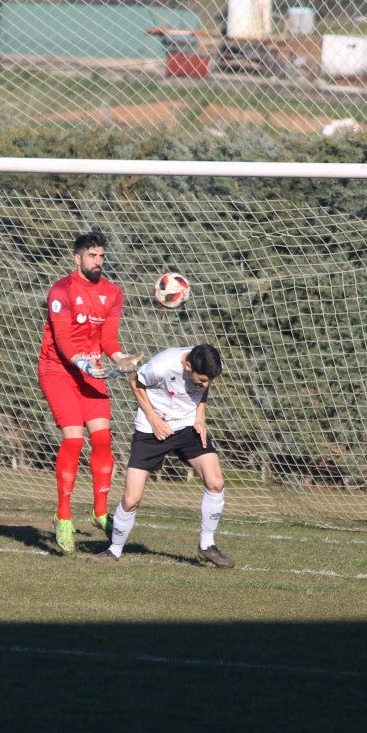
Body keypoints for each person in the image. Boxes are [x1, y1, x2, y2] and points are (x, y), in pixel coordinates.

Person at [89, 343, 234, 568]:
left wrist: (200, 417)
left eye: (209, 380)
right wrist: (155, 421)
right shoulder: (161, 366)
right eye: (202, 379)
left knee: (215, 482)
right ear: (187, 366)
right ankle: (113, 550)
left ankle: (207, 546)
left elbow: (204, 387)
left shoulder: (209, 362)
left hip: (187, 427)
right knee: (131, 499)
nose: (205, 384)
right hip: (151, 429)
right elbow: (135, 382)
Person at [38, 231, 138, 554]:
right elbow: (65, 341)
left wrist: (120, 357)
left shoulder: (113, 293)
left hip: (92, 370)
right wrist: (82, 361)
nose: (98, 262)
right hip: (59, 370)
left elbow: (108, 340)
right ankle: (64, 518)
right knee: (74, 438)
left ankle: (99, 512)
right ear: (77, 258)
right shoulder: (61, 290)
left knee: (103, 438)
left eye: (102, 256)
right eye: (92, 256)